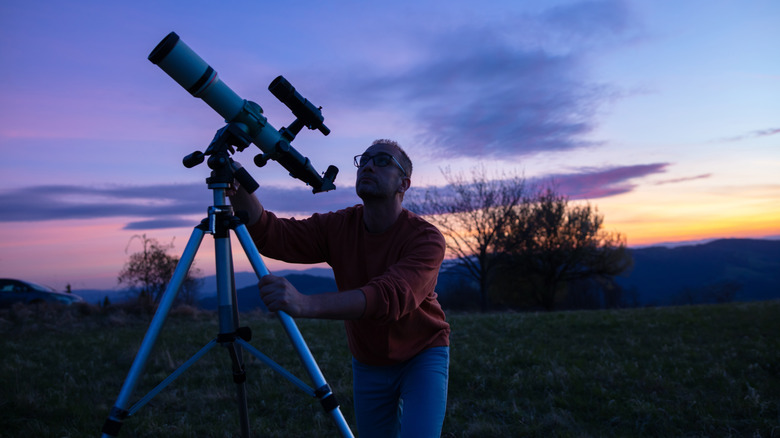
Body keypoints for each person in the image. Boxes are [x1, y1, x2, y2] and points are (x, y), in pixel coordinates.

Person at [229, 139, 450, 438]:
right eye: (365, 160)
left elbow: (389, 297)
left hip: (422, 354)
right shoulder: (339, 226)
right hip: (369, 360)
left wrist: (304, 304)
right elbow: (275, 235)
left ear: (404, 184)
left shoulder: (427, 239)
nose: (369, 165)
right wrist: (239, 185)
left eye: (383, 161)